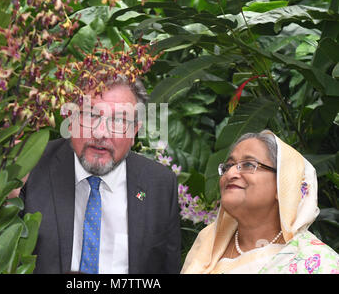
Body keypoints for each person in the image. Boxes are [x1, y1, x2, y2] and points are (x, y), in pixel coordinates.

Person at [19, 74, 181, 274]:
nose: (101, 132)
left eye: (119, 120)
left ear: (134, 132)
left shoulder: (159, 184)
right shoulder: (31, 167)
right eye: (90, 115)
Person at [181, 130, 339, 274]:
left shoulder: (317, 262)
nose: (231, 173)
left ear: (283, 185)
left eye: (248, 164)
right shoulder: (208, 244)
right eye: (229, 166)